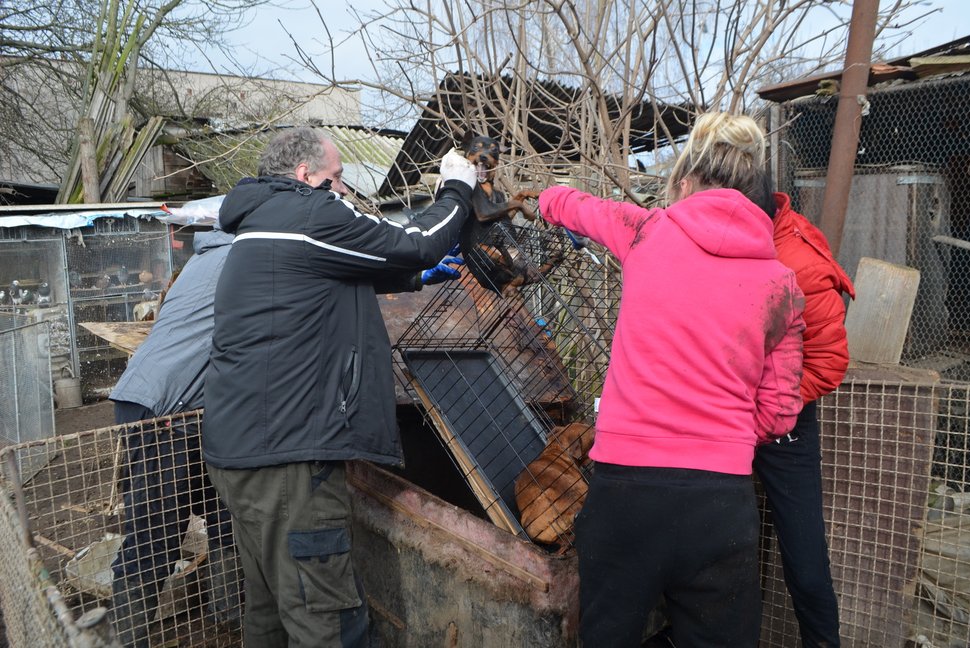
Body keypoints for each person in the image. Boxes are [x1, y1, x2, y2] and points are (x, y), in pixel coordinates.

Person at [536, 111, 806, 647]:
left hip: (626, 492)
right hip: (719, 504)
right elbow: (779, 413)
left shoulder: (647, 229)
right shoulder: (781, 283)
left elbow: (569, 205)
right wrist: (721, 438)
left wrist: (544, 198)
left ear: (684, 182)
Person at [202, 127, 475, 648]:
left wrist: (415, 278)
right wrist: (456, 190)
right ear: (306, 176)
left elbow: (331, 273)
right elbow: (416, 242)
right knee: (325, 619)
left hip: (241, 451)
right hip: (290, 457)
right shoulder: (311, 211)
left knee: (273, 611)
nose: (345, 191)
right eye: (339, 178)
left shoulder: (264, 222)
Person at [109, 226, 241, 648]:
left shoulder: (202, 259)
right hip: (165, 410)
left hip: (181, 408)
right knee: (156, 534)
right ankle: (125, 640)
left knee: (225, 512)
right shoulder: (241, 260)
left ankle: (230, 616)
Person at [753, 190, 855, 647]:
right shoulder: (731, 242)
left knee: (804, 555)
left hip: (784, 418)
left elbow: (828, 363)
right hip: (727, 409)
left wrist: (774, 408)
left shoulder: (798, 260)